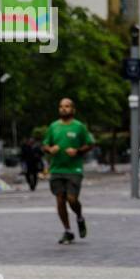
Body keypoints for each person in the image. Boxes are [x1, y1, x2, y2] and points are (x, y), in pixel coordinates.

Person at [42, 97, 95, 244]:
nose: (63, 109)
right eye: (61, 106)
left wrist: (77, 151)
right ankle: (68, 230)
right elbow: (45, 145)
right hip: (57, 168)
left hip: (74, 169)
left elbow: (90, 144)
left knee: (71, 199)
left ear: (73, 109)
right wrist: (50, 149)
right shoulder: (53, 127)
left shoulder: (79, 127)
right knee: (60, 200)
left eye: (66, 106)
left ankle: (79, 216)